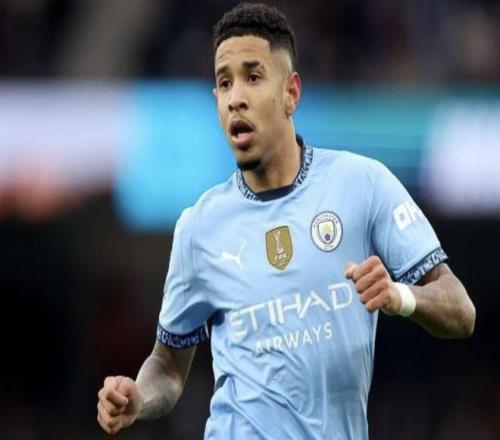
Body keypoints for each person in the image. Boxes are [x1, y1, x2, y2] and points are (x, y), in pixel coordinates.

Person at [97, 3, 476, 438]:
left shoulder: (362, 183)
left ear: (291, 93)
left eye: (253, 77)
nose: (236, 97)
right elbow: (167, 366)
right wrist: (139, 397)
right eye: (225, 83)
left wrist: (400, 296)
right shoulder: (199, 227)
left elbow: (460, 310)